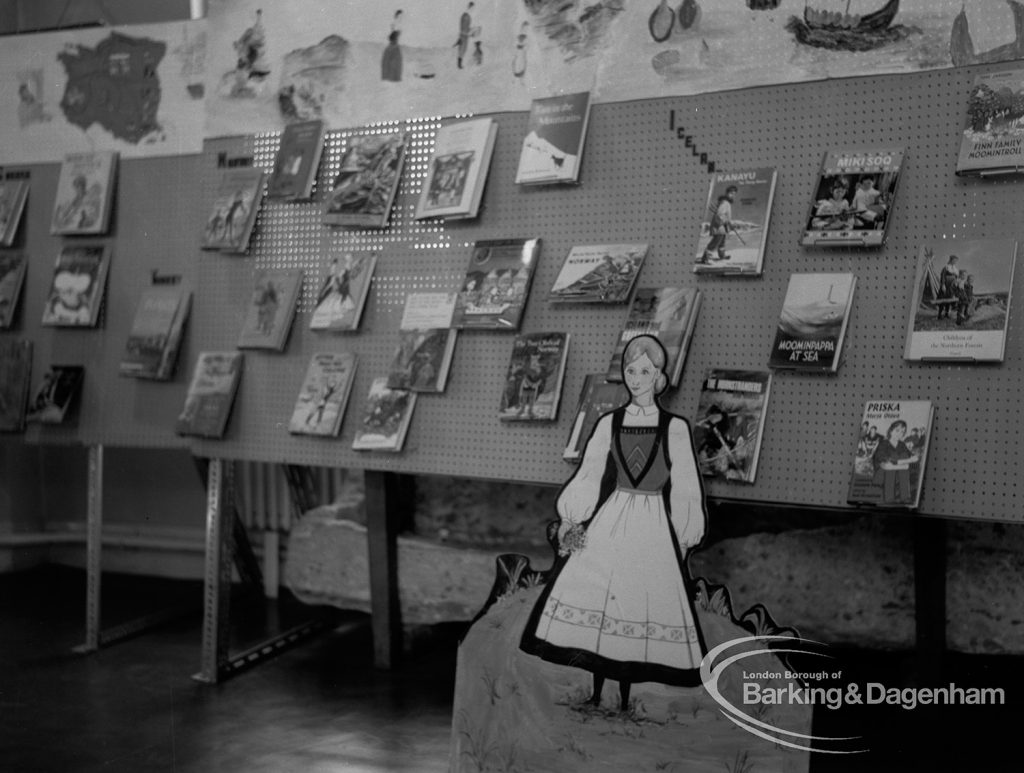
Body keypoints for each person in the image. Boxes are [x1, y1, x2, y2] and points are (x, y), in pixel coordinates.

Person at [520, 335, 707, 711]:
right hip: (612, 518)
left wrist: (685, 535)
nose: (636, 378)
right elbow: (589, 475)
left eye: (645, 371)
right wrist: (573, 517)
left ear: (659, 377)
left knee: (636, 603)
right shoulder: (609, 423)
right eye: (630, 370)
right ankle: (595, 692)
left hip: (651, 523)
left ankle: (624, 699)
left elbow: (685, 484)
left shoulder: (674, 428)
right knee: (600, 601)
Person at [871, 420, 919, 505]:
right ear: (891, 430)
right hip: (882, 474)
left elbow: (910, 456)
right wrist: (905, 464)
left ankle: (905, 497)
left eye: (902, 432)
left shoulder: (902, 444)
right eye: (897, 430)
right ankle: (889, 498)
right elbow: (885, 462)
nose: (900, 434)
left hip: (898, 473)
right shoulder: (883, 443)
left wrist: (914, 457)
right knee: (894, 457)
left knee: (903, 455)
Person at [699, 185, 736, 263]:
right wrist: (725, 221)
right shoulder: (725, 203)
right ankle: (706, 258)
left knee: (722, 240)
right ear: (727, 193)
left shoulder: (726, 203)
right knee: (716, 240)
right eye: (731, 193)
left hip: (722, 225)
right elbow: (719, 214)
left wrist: (728, 223)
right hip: (719, 225)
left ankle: (722, 255)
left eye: (734, 194)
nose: (732, 195)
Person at [938, 254, 959, 319]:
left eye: (956, 261)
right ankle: (940, 315)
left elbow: (956, 277)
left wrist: (956, 282)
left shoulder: (955, 268)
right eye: (954, 260)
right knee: (942, 300)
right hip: (946, 286)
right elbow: (943, 277)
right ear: (951, 260)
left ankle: (947, 314)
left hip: (951, 287)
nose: (955, 262)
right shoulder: (946, 267)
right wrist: (943, 285)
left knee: (949, 300)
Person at [455, 2, 474, 69]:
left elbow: (466, 27)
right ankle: (459, 65)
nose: (472, 9)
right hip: (463, 36)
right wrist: (469, 33)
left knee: (464, 50)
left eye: (472, 7)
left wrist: (471, 31)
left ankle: (459, 64)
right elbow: (462, 28)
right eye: (471, 7)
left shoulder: (467, 16)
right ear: (469, 7)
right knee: (462, 50)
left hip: (465, 36)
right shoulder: (465, 16)